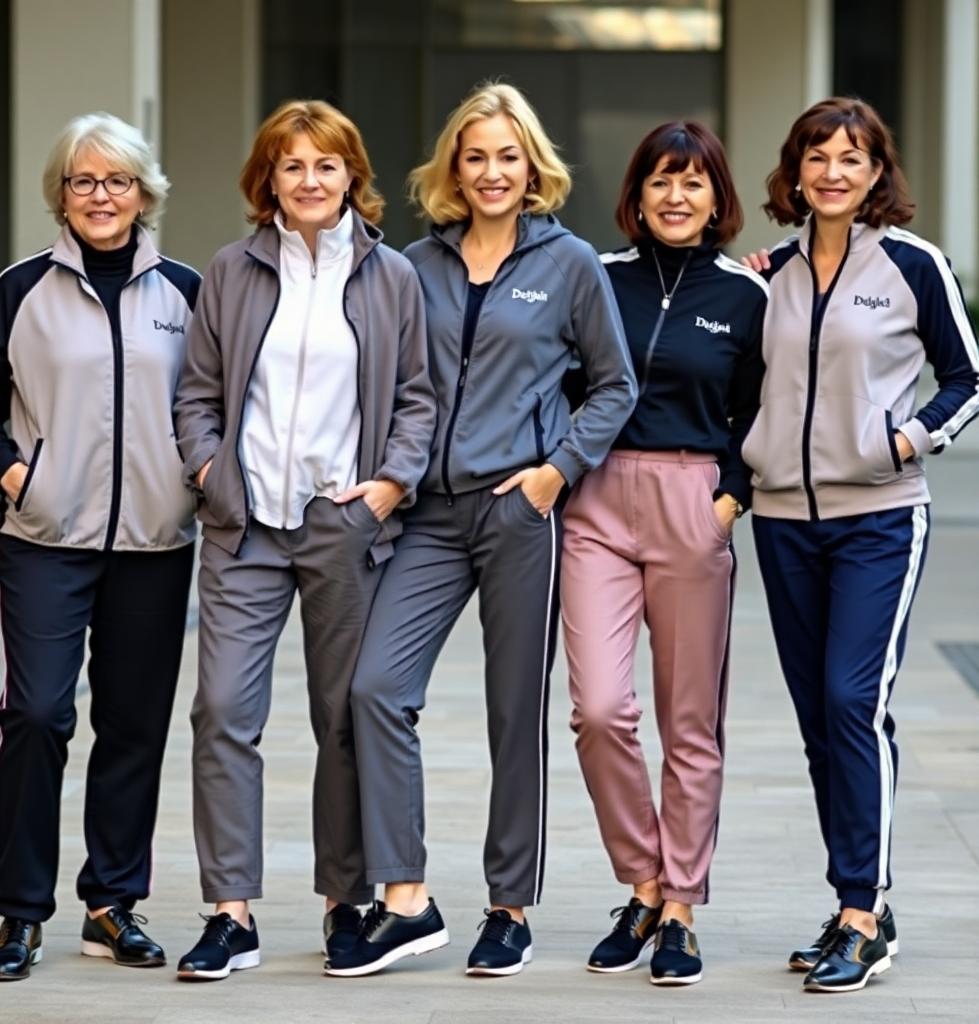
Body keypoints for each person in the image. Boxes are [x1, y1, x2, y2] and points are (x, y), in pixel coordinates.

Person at [326, 82, 637, 980]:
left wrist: (555, 472)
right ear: (452, 170)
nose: (492, 171)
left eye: (508, 155)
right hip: (426, 513)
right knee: (376, 689)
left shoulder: (571, 262)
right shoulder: (413, 265)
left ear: (531, 164)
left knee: (514, 714)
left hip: (517, 513)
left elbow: (613, 385)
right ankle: (407, 899)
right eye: (476, 156)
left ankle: (509, 909)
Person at [171, 99, 435, 981]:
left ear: (351, 175)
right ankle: (230, 911)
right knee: (222, 713)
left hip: (341, 523)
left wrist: (389, 488)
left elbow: (415, 397)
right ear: (268, 180)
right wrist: (210, 473)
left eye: (327, 165)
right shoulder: (231, 271)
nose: (311, 181)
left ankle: (344, 902)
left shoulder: (391, 275)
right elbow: (198, 394)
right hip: (245, 526)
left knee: (343, 721)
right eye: (293, 166)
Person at [740, 97, 979, 993]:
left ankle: (863, 915)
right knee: (819, 722)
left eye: (853, 158)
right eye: (817, 157)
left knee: (852, 702)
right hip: (785, 522)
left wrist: (907, 441)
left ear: (879, 173)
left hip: (880, 517)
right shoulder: (770, 274)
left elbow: (968, 377)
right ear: (795, 171)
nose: (833, 172)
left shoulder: (914, 266)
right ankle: (852, 895)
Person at [0, 113, 200, 981]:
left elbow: (206, 408)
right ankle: (20, 913)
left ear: (144, 192)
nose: (101, 196)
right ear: (61, 194)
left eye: (118, 181)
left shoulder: (185, 292)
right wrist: (17, 474)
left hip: (155, 543)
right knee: (36, 715)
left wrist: (193, 477)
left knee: (132, 725)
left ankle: (111, 904)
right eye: (83, 181)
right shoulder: (19, 289)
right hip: (45, 539)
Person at [560, 122, 766, 986]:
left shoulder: (749, 296)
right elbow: (559, 382)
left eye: (694, 183)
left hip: (693, 502)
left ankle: (680, 905)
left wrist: (728, 502)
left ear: (718, 198)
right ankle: (642, 881)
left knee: (691, 723)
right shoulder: (595, 280)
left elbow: (761, 412)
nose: (676, 197)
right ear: (636, 195)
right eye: (660, 182)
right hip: (598, 503)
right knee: (600, 710)